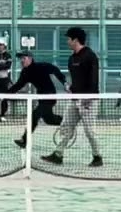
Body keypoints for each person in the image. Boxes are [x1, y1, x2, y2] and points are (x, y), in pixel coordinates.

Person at [41, 27, 103, 168]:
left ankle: (97, 157)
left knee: (89, 131)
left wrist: (88, 99)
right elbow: (76, 80)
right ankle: (58, 155)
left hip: (89, 101)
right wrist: (71, 89)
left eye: (68, 39)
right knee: (66, 127)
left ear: (75, 39)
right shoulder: (72, 58)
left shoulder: (90, 56)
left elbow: (94, 80)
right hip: (75, 100)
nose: (67, 41)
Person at [9, 51, 67, 148]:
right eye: (21, 59)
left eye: (24, 58)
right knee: (49, 120)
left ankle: (24, 140)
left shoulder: (42, 66)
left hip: (50, 97)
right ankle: (68, 121)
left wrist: (64, 82)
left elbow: (55, 70)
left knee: (34, 116)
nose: (22, 61)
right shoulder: (25, 72)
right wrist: (6, 95)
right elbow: (18, 85)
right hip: (41, 98)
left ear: (30, 58)